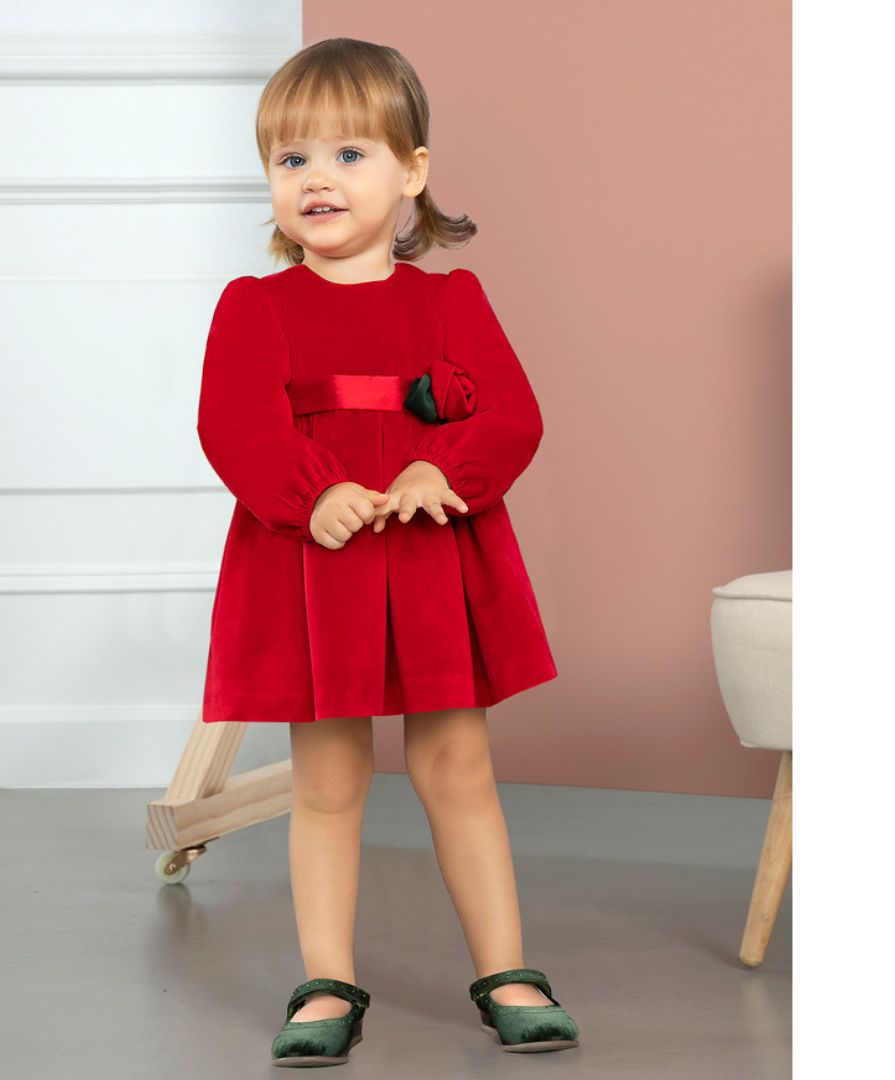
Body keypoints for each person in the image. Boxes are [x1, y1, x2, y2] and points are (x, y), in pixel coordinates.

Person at [195, 37, 580, 1066]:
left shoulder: (450, 301)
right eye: (292, 159)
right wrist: (310, 491)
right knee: (326, 782)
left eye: (349, 154)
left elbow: (512, 416)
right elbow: (234, 425)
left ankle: (507, 970)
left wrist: (435, 469)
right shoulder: (255, 305)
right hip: (314, 570)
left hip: (426, 565)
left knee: (458, 768)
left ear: (413, 171)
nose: (316, 178)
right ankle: (327, 980)